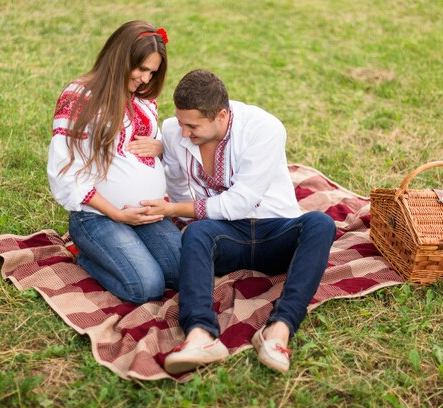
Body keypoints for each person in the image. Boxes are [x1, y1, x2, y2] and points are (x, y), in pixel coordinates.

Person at [141, 70, 337, 374]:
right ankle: (201, 336)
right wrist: (174, 210)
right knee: (196, 232)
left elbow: (240, 202)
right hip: (226, 237)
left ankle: (278, 331)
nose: (183, 133)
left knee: (321, 225)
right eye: (180, 123)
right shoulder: (172, 131)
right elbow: (180, 190)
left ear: (221, 115)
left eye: (192, 125)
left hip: (275, 231)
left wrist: (173, 208)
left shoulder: (263, 128)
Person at [47, 21, 181, 305]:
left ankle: (125, 250)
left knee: (182, 272)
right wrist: (119, 215)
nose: (146, 79)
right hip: (98, 216)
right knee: (147, 287)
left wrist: (159, 145)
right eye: (142, 69)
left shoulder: (142, 99)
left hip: (145, 214)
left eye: (152, 72)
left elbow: (148, 141)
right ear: (121, 58)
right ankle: (86, 256)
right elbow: (65, 171)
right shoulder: (80, 98)